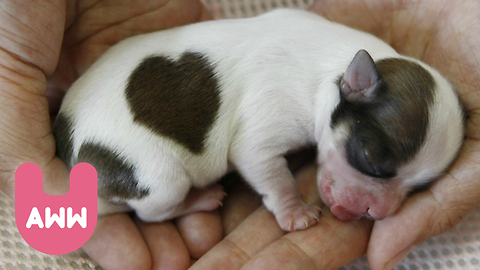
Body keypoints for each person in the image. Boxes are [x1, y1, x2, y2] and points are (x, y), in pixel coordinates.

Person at [0, 0, 478, 269]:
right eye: (373, 164)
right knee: (164, 183)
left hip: (101, 108)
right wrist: (287, 202)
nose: (384, 207)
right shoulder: (285, 79)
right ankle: (163, 205)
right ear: (352, 86)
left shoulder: (322, 45)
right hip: (117, 154)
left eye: (412, 186)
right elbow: (251, 147)